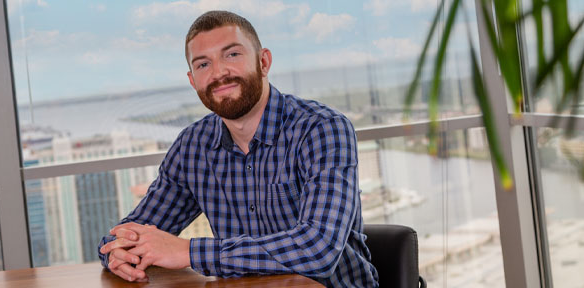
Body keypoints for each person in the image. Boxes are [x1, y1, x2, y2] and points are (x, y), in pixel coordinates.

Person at [97, 10, 378, 287]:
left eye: (232, 55)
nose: (219, 73)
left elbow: (319, 249)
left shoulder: (322, 129)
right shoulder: (193, 146)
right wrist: (116, 251)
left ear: (263, 62)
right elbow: (132, 230)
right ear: (193, 80)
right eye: (203, 64)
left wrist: (186, 252)